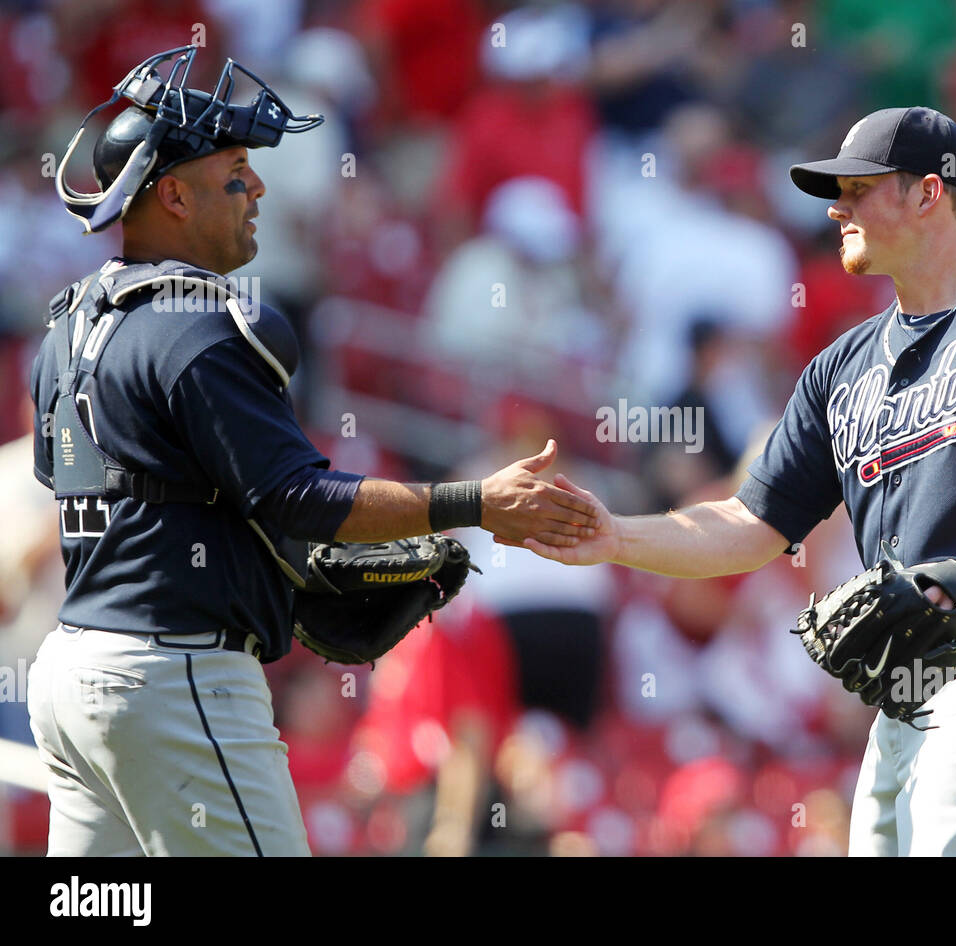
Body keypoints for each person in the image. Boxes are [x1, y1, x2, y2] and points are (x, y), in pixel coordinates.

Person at [526, 106, 956, 856]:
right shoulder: (841, 368)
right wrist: (617, 534)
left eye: (858, 188)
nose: (835, 207)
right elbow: (753, 525)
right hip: (908, 690)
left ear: (928, 194)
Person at [26, 45, 596, 857]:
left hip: (71, 675)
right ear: (175, 195)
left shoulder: (68, 326)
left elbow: (131, 500)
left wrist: (259, 569)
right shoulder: (197, 326)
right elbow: (300, 500)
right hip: (174, 678)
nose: (257, 187)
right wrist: (476, 503)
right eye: (234, 171)